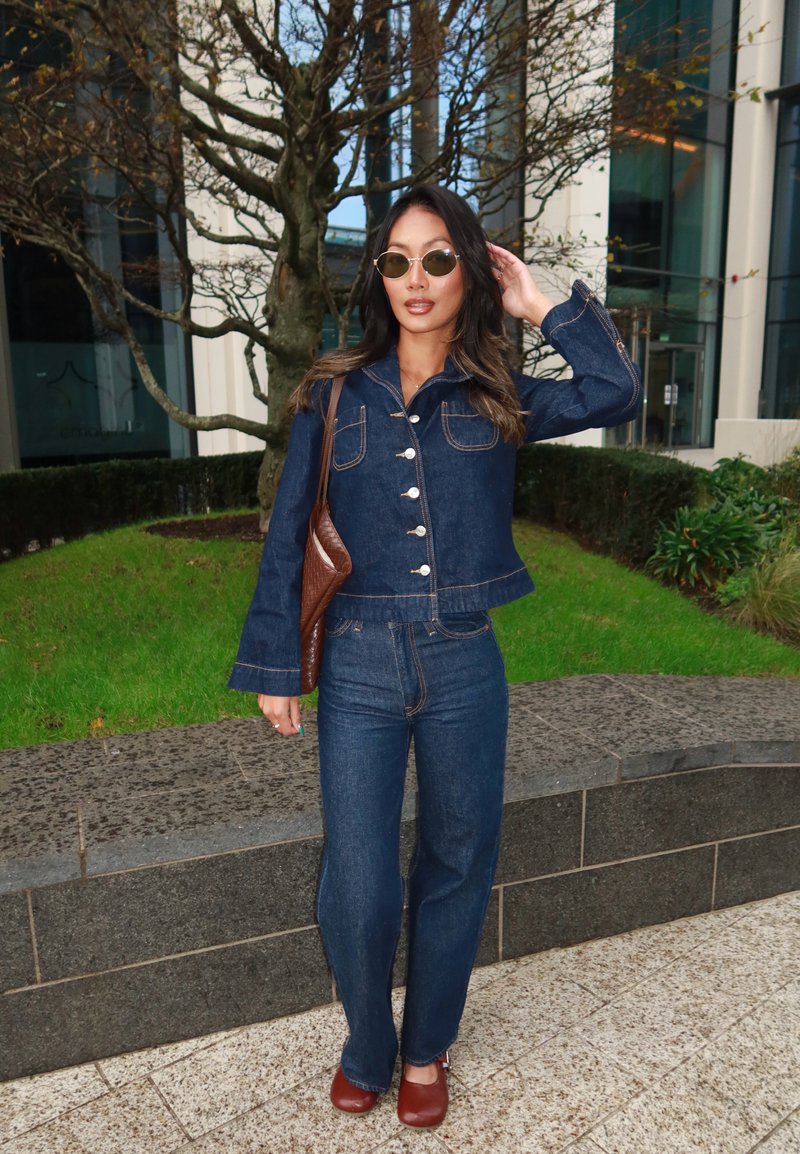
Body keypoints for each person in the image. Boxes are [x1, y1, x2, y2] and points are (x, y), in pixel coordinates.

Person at [228, 184, 641, 1128]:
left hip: (466, 661)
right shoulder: (333, 392)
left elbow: (612, 388)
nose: (417, 280)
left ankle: (427, 1046)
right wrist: (278, 666)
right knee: (361, 882)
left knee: (458, 857)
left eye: (439, 258)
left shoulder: (501, 395)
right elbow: (288, 533)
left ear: (470, 269)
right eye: (398, 261)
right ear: (379, 276)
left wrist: (542, 306)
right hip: (361, 663)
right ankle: (366, 1040)